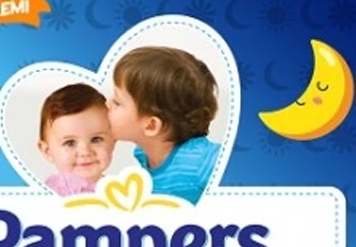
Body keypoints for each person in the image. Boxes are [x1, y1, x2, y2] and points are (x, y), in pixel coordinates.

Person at [106, 46, 220, 205]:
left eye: (117, 102)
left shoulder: (202, 161)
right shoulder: (143, 153)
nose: (107, 103)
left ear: (151, 126)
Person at [37, 83, 115, 196]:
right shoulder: (47, 195)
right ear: (47, 151)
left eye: (96, 139)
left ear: (113, 141)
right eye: (70, 143)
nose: (85, 152)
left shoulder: (119, 193)